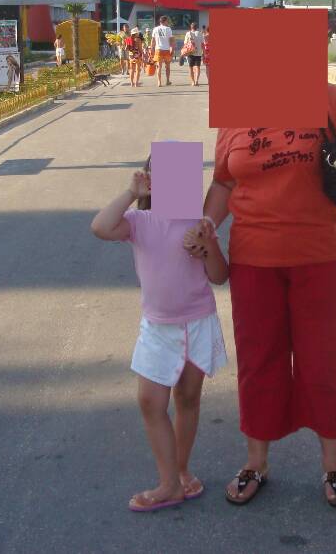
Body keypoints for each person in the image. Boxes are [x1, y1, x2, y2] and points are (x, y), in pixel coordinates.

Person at [186, 84, 336, 508]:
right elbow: (224, 183)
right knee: (258, 363)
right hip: (253, 263)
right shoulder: (236, 107)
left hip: (320, 260)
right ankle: (256, 463)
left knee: (323, 362)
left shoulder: (327, 97)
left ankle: (333, 465)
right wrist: (204, 226)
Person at [90, 158, 229, 512]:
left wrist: (207, 246)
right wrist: (130, 193)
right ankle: (168, 483)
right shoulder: (140, 221)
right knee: (150, 402)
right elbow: (101, 227)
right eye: (163, 176)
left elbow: (219, 275)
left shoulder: (200, 224)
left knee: (187, 399)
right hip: (157, 328)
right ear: (152, 182)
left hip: (196, 323)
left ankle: (180, 472)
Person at [151, 16, 175, 87]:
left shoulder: (155, 29)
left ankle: (159, 82)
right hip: (166, 49)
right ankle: (167, 80)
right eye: (167, 21)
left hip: (158, 49)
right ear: (165, 21)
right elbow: (171, 41)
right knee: (167, 66)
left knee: (159, 66)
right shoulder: (168, 29)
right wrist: (172, 49)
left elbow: (153, 40)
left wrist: (152, 49)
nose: (168, 22)